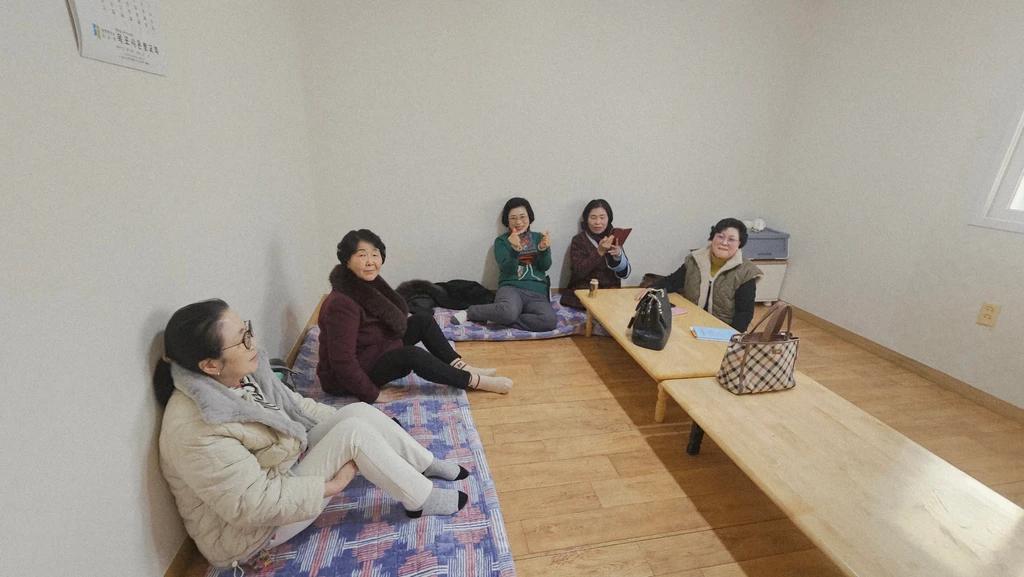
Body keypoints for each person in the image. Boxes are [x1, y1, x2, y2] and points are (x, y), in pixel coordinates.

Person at [155, 299, 469, 569]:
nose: (253, 342)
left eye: (247, 330)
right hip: (250, 531)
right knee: (354, 433)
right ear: (210, 365)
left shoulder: (237, 374)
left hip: (282, 467)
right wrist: (333, 485)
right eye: (242, 340)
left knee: (357, 415)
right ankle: (421, 498)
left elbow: (294, 406)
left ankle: (422, 463)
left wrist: (358, 424)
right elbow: (253, 505)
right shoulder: (197, 428)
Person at [317, 229, 513, 402]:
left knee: (422, 320)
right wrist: (373, 394)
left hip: (373, 349)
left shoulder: (365, 284)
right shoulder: (341, 305)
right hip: (345, 379)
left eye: (375, 255)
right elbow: (342, 362)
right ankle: (473, 381)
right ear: (347, 260)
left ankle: (462, 366)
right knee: (411, 355)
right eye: (362, 255)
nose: (370, 262)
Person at [452, 197, 558, 331]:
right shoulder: (501, 241)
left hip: (537, 292)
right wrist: (515, 250)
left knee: (549, 321)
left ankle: (499, 318)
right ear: (507, 221)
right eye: (513, 218)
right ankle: (471, 312)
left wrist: (543, 249)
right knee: (508, 312)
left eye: (522, 217)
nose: (518, 222)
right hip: (511, 288)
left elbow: (545, 266)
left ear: (530, 217)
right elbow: (507, 269)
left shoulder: (539, 237)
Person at [650, 218, 762, 331]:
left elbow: (744, 314)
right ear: (712, 238)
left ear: (740, 243)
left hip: (721, 329)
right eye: (720, 236)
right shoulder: (695, 259)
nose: (724, 243)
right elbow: (672, 282)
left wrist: (730, 336)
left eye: (731, 239)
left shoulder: (747, 272)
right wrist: (649, 290)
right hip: (690, 321)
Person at [560, 199, 631, 309]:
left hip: (609, 291)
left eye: (602, 217)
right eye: (593, 217)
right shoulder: (579, 240)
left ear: (609, 218)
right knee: (590, 303)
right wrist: (599, 252)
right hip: (585, 290)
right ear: (586, 219)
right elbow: (578, 272)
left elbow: (624, 274)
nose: (598, 222)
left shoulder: (614, 237)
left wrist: (618, 256)